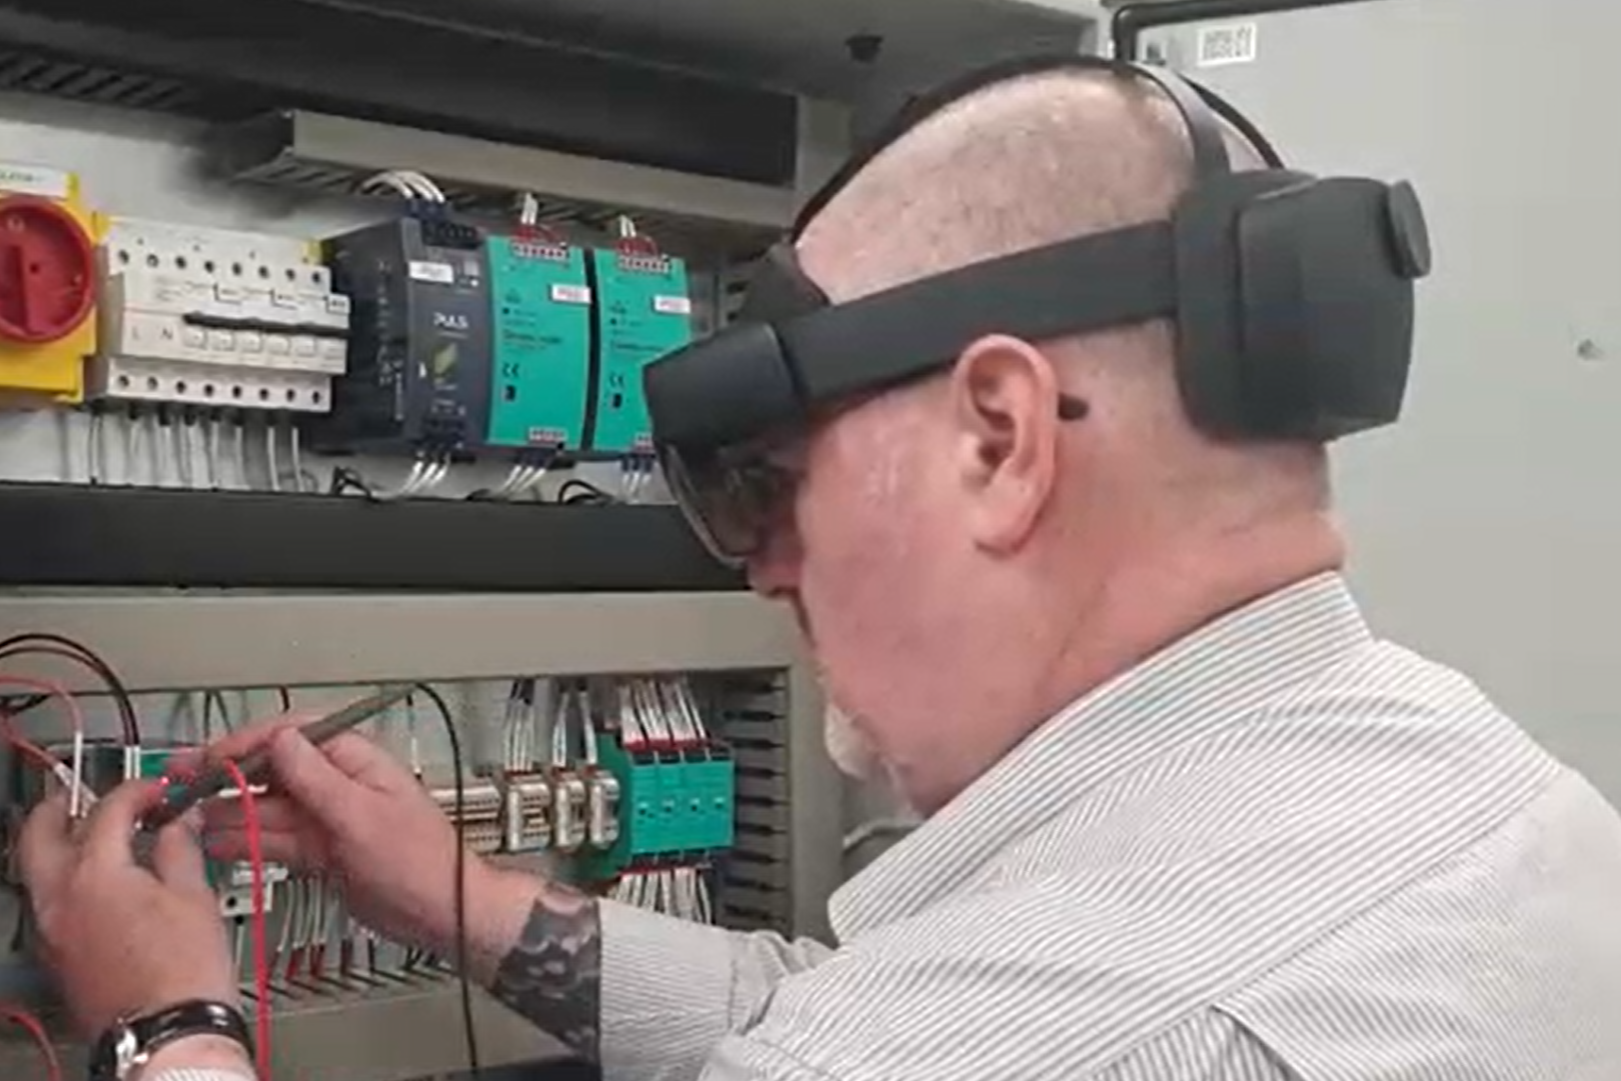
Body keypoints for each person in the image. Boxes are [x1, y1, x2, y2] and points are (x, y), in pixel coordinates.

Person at [19, 62, 1621, 1081]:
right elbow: (858, 1008)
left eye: (770, 483)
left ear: (1000, 439)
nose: (765, 570)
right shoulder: (1502, 802)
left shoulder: (1067, 1035)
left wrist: (169, 1029)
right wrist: (459, 900)